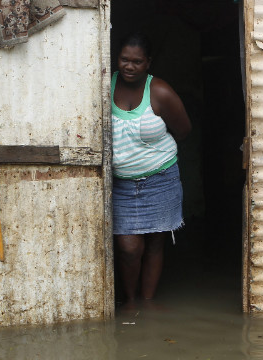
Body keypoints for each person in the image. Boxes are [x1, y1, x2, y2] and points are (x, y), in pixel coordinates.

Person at [111, 32, 191, 307]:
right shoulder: (104, 86)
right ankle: (130, 300)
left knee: (155, 244)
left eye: (137, 61)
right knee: (129, 248)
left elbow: (183, 130)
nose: (129, 66)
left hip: (161, 179)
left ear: (148, 63)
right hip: (121, 184)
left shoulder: (159, 91)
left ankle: (147, 302)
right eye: (124, 59)